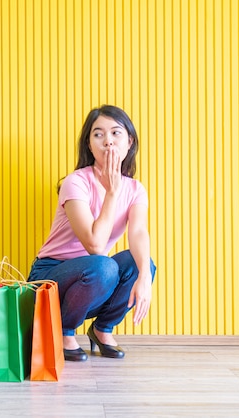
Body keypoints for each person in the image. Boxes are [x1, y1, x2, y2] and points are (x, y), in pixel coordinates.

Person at [28, 105, 157, 361]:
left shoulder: (135, 189)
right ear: (89, 144)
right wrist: (111, 192)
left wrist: (144, 277)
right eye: (98, 134)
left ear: (129, 142)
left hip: (94, 281)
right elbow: (95, 246)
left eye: (115, 133)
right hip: (52, 276)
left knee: (142, 264)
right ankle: (64, 332)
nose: (108, 141)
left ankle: (102, 330)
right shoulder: (75, 182)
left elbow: (139, 232)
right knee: (103, 265)